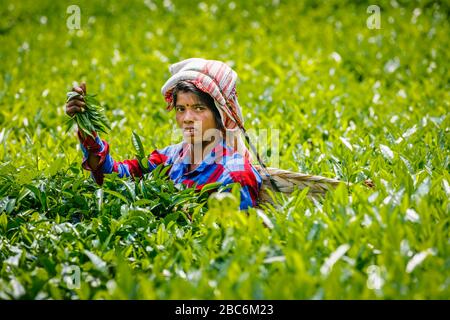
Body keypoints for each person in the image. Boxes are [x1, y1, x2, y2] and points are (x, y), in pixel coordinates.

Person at [66, 58, 262, 210]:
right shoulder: (171, 157)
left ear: (221, 116)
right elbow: (114, 179)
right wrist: (87, 127)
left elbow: (232, 237)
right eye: (180, 109)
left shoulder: (235, 175)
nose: (187, 118)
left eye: (199, 108)